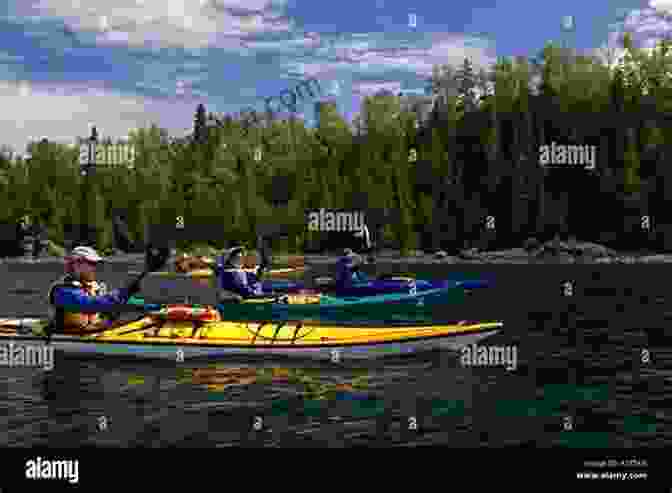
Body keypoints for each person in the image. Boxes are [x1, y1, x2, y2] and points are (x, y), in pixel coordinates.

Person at [47, 246, 143, 334]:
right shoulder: (62, 291)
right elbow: (89, 304)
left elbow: (111, 302)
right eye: (91, 264)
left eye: (95, 264)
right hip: (68, 340)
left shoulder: (94, 287)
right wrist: (123, 292)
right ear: (77, 265)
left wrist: (147, 306)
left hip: (92, 335)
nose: (95, 268)